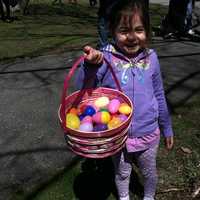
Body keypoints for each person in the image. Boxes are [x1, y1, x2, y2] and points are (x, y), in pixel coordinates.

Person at [76, 0, 174, 200]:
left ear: (147, 31)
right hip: (117, 135)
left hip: (148, 132)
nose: (131, 36)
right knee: (122, 173)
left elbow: (159, 94)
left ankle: (148, 197)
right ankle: (123, 197)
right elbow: (84, 87)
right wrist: (91, 66)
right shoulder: (106, 58)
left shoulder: (151, 58)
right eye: (124, 30)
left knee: (149, 173)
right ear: (112, 31)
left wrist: (167, 127)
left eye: (139, 29)